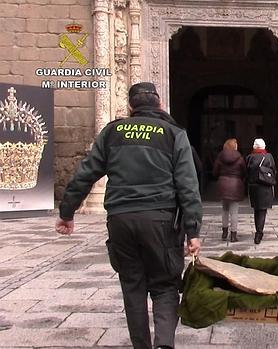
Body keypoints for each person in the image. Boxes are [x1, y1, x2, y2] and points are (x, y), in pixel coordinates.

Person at [55, 82, 202, 349]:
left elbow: (85, 173)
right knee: (166, 284)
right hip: (160, 219)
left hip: (121, 219)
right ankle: (164, 345)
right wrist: (193, 231)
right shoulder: (173, 133)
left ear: (130, 107)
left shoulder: (113, 132)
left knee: (133, 285)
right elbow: (187, 184)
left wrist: (67, 212)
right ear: (160, 105)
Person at [213, 138, 246, 242]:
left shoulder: (220, 156)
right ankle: (233, 235)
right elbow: (244, 172)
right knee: (234, 212)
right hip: (235, 185)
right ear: (234, 146)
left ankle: (224, 233)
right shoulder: (240, 158)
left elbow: (215, 172)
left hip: (223, 185)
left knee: (224, 210)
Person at [245, 138, 276, 244]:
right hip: (265, 187)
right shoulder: (268, 157)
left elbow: (246, 172)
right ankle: (259, 233)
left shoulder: (249, 157)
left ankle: (258, 231)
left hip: (254, 187)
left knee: (256, 210)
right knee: (262, 211)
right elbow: (274, 171)